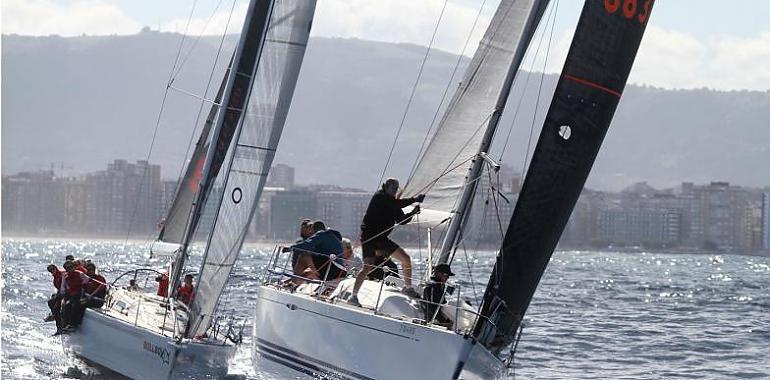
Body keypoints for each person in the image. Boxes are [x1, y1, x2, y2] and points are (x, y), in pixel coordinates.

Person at [349, 178, 424, 306]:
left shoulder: (393, 203)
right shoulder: (380, 197)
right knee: (368, 266)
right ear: (385, 187)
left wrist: (413, 212)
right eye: (392, 188)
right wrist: (414, 199)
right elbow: (394, 204)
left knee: (405, 258)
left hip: (382, 239)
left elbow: (402, 220)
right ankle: (353, 296)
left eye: (396, 188)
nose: (395, 190)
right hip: (370, 238)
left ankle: (408, 288)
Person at [60, 260, 90, 331]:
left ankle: (73, 325)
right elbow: (63, 287)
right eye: (67, 268)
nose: (69, 269)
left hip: (80, 293)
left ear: (73, 267)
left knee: (75, 306)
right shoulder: (66, 276)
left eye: (70, 267)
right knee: (66, 305)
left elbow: (87, 280)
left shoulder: (80, 274)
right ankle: (65, 324)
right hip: (72, 294)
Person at [421, 264, 455, 328]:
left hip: (440, 315)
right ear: (439, 274)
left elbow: (443, 302)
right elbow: (430, 307)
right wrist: (443, 321)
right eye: (446, 275)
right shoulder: (431, 287)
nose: (448, 278)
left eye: (448, 276)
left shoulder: (441, 285)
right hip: (433, 320)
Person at [45, 264, 65, 329]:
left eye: (53, 269)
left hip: (65, 292)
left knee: (56, 307)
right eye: (50, 270)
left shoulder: (62, 274)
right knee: (50, 302)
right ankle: (55, 316)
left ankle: (59, 325)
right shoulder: (55, 278)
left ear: (56, 268)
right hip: (61, 292)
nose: (52, 271)